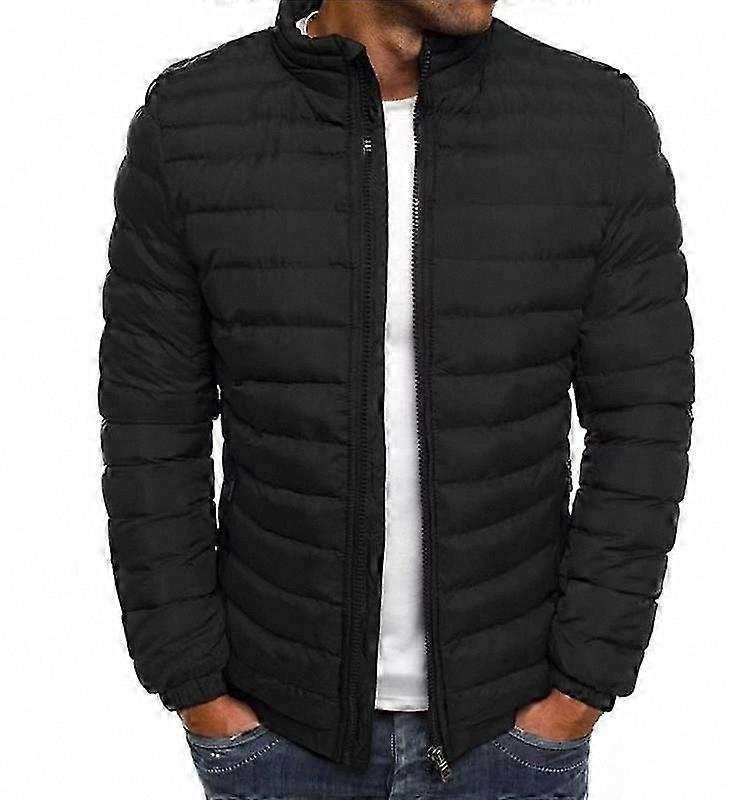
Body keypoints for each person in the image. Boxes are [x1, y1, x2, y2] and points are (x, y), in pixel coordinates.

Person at [99, 1, 694, 797]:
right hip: (278, 732)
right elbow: (149, 425)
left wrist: (581, 688)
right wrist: (194, 686)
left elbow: (644, 423)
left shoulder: (596, 122)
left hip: (509, 735)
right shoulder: (192, 124)